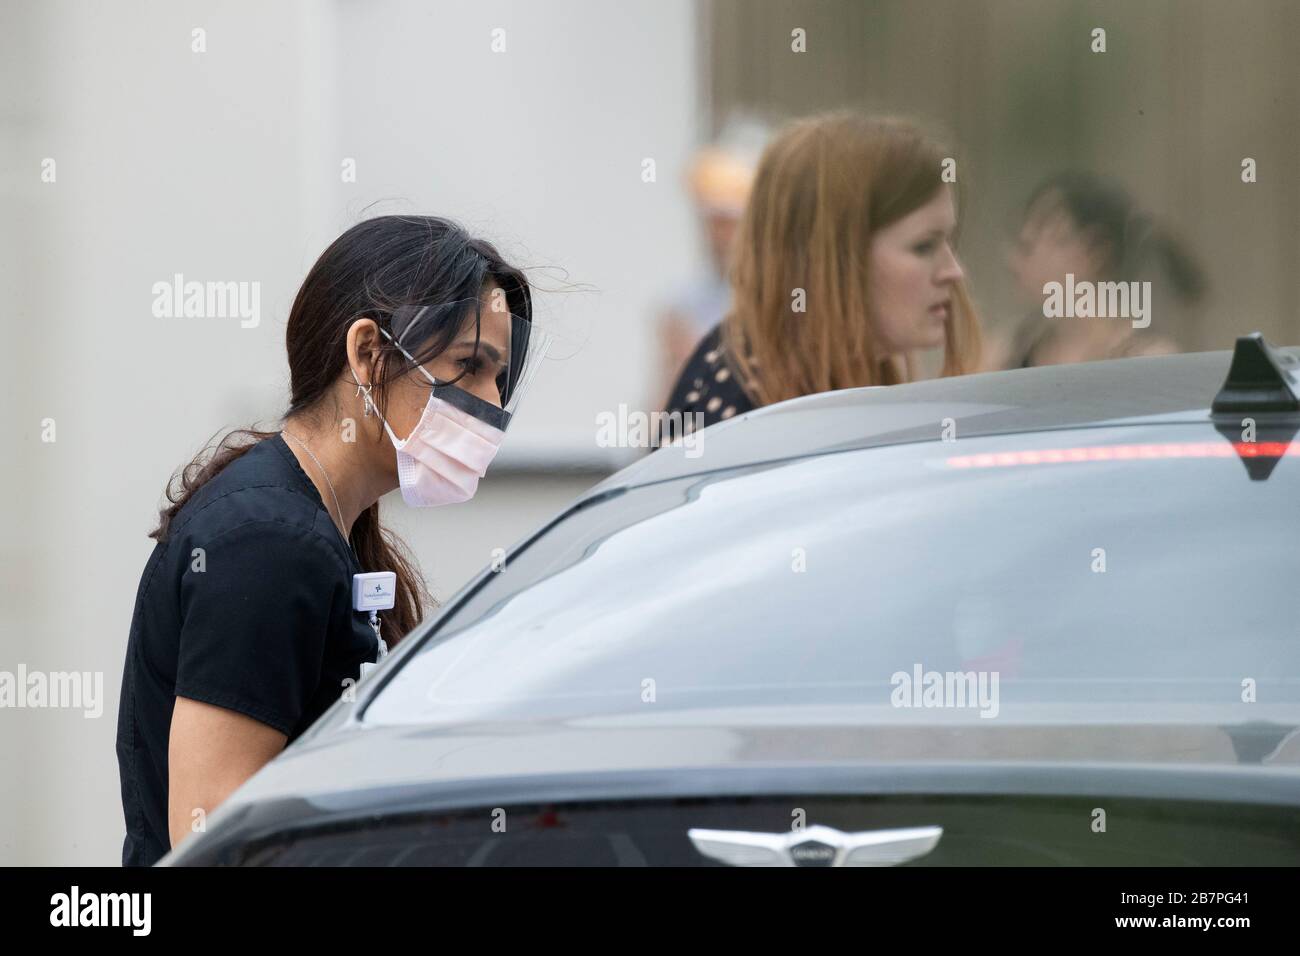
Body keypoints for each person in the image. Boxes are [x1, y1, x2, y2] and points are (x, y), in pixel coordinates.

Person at [115, 215, 547, 866]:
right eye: (470, 366)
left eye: (499, 378)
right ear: (369, 353)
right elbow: (213, 840)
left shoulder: (312, 525)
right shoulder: (268, 542)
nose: (492, 402)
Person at [662, 111, 983, 433]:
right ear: (834, 257)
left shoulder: (819, 383)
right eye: (924, 246)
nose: (953, 271)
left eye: (949, 243)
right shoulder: (739, 415)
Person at [994, 171, 1206, 369]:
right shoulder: (1012, 351)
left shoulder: (1146, 362)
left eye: (1027, 248)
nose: (1012, 262)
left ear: (1093, 252)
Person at [654, 117, 767, 404]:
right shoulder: (682, 305)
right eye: (712, 222)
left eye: (728, 222)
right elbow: (664, 405)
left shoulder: (788, 298)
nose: (719, 235)